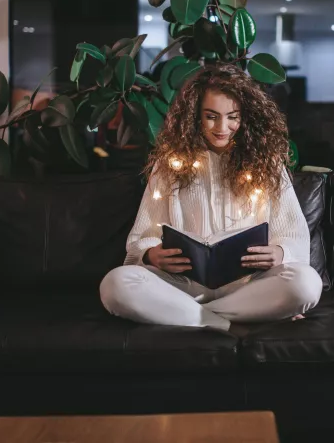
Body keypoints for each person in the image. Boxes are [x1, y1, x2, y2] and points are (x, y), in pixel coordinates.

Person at [99, 64, 322, 332]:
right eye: (211, 116)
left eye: (232, 117)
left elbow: (294, 235)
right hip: (182, 285)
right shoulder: (170, 164)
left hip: (250, 286)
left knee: (306, 283)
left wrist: (279, 252)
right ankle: (224, 321)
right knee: (115, 284)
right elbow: (143, 236)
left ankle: (192, 316)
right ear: (195, 117)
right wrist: (151, 256)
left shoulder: (268, 165)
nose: (222, 127)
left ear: (246, 117)